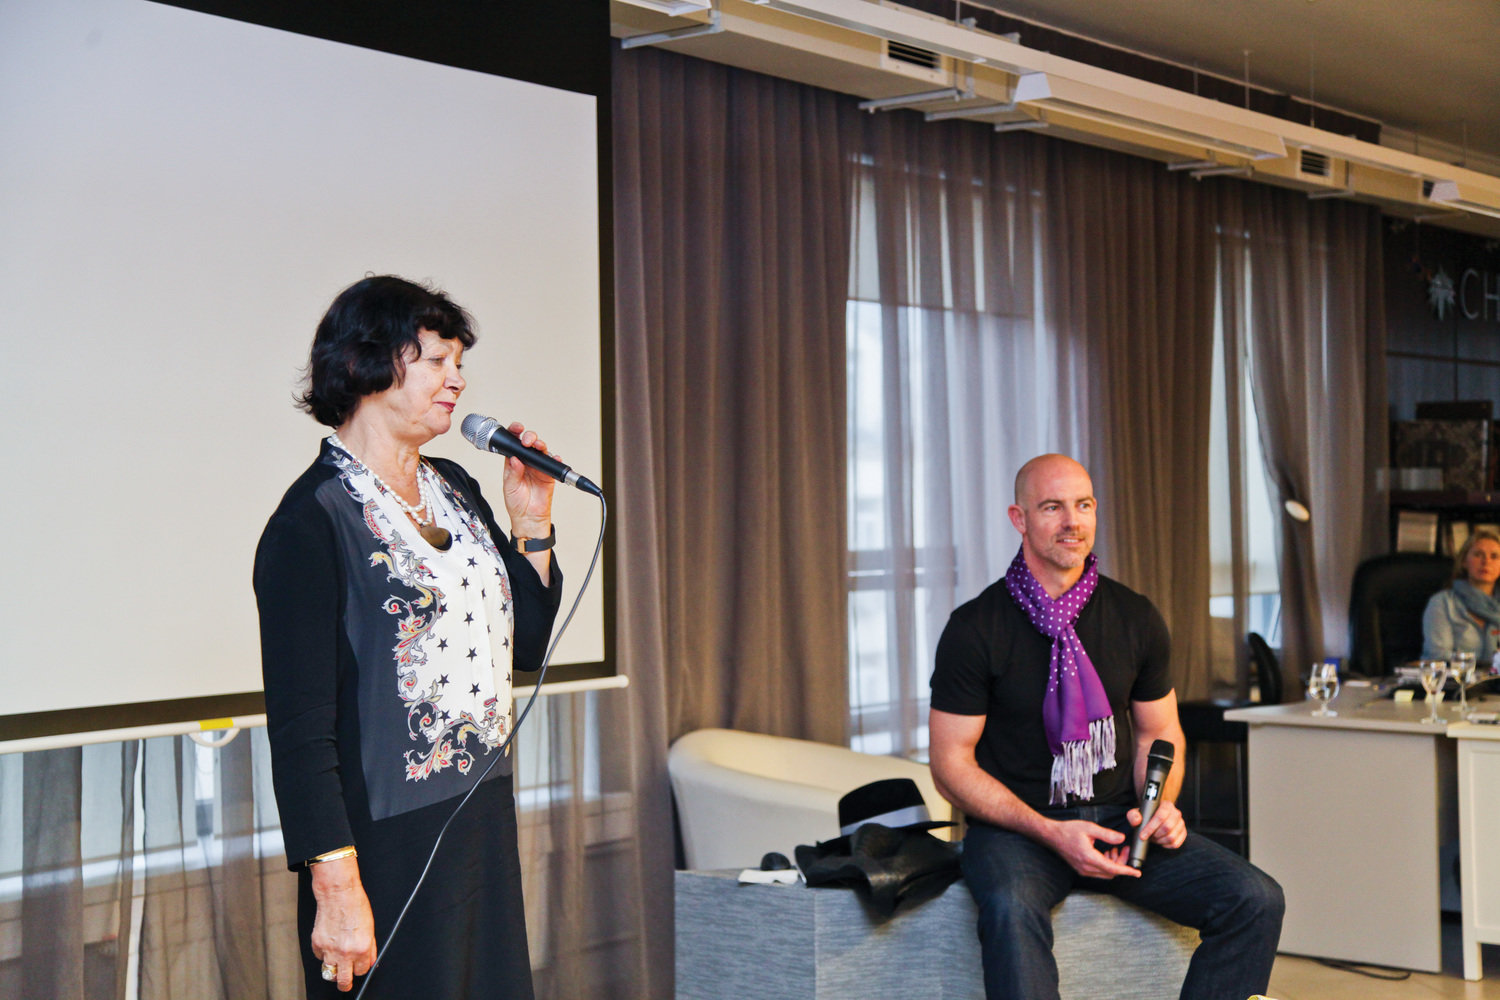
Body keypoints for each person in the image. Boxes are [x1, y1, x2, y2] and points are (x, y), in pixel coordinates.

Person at [254, 276, 562, 998]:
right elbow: (301, 733)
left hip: (478, 824)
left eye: (461, 363)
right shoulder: (311, 521)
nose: (457, 380)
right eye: (436, 360)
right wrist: (335, 889)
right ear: (363, 365)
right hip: (381, 847)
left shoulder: (455, 487)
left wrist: (532, 524)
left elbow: (526, 645)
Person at [928, 454, 1284, 1000]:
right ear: (1019, 519)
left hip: (1120, 821)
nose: (1073, 522)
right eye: (1052, 507)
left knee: (1255, 899)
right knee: (1010, 907)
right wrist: (1049, 832)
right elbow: (950, 763)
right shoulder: (975, 628)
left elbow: (1157, 734)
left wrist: (1158, 806)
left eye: (1084, 505)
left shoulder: (1135, 616)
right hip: (1019, 832)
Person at [1421, 527, 1500, 664]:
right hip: (1453, 677)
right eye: (1478, 555)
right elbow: (1438, 656)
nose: (1486, 561)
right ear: (1464, 562)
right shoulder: (1442, 603)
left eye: (1494, 556)